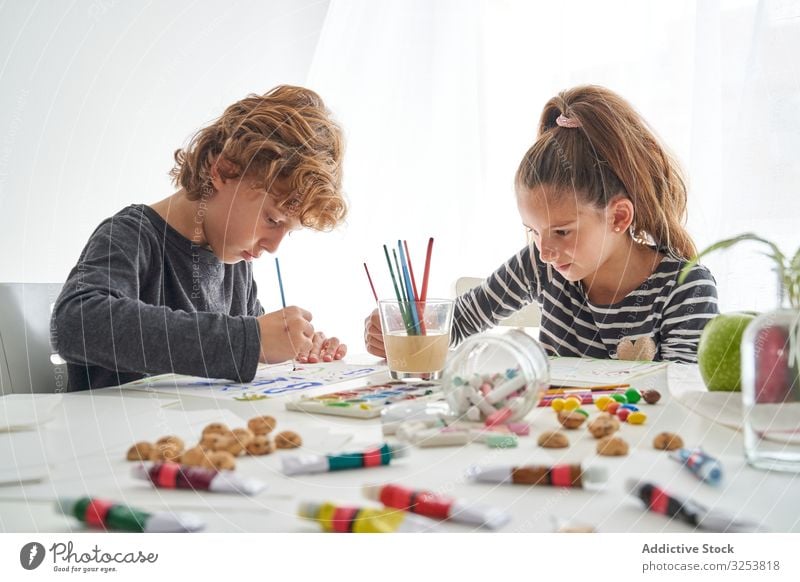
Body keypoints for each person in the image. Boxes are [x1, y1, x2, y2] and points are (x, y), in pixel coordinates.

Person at [365, 85, 718, 364]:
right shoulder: (540, 265)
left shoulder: (685, 289)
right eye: (534, 231)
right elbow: (457, 324)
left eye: (562, 231)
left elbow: (678, 399)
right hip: (551, 445)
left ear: (619, 217)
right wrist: (399, 329)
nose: (546, 251)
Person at [53, 85, 348, 391]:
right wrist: (251, 341)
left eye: (288, 231)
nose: (273, 246)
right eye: (272, 220)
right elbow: (76, 324)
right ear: (222, 170)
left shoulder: (235, 264)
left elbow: (241, 347)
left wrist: (289, 347)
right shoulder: (131, 236)